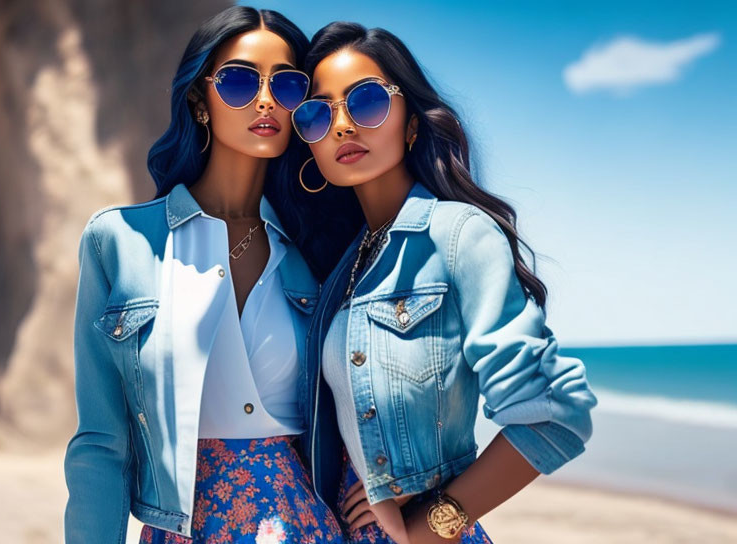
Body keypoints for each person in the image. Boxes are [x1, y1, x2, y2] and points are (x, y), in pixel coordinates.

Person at [291, 22, 599, 543]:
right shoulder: (344, 265)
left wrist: (433, 523)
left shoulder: (458, 235)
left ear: (411, 123)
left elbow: (557, 414)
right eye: (318, 113)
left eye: (364, 101)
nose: (341, 125)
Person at [63, 7, 346, 543]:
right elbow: (101, 442)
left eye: (287, 85)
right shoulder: (120, 242)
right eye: (240, 80)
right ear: (199, 101)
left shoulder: (318, 251)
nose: (266, 99)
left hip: (308, 528)